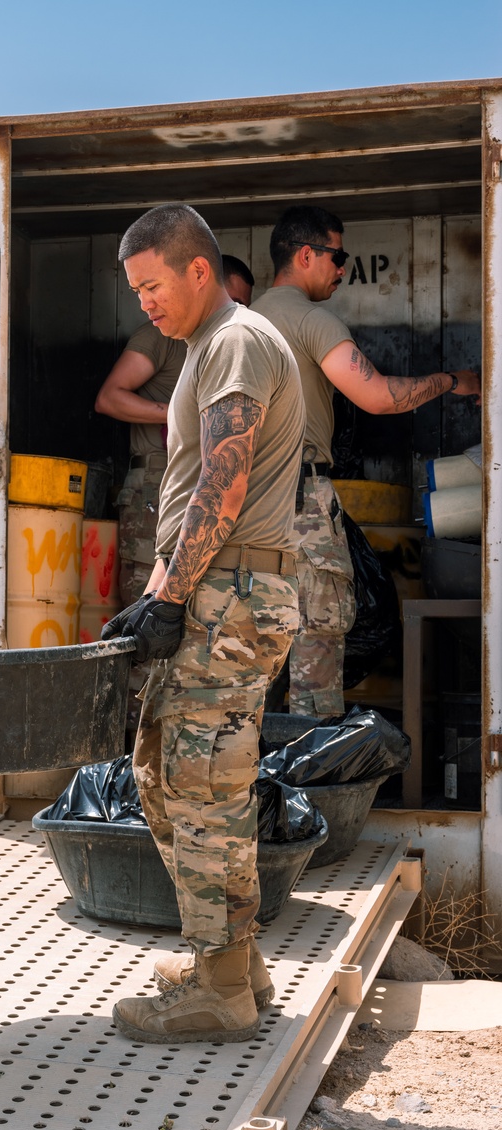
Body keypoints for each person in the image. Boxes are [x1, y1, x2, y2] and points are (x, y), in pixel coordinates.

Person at [102, 205, 304, 1044]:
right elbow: (192, 491)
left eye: (152, 285)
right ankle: (235, 960)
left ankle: (221, 986)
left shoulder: (235, 341)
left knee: (201, 786)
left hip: (232, 594)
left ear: (196, 271)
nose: (144, 303)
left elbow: (223, 486)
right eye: (134, 291)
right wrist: (154, 595)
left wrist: (175, 598)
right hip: (212, 592)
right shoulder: (201, 351)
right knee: (172, 772)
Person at [254, 206, 481, 716]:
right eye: (338, 257)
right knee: (316, 646)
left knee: (254, 648)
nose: (342, 270)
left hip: (241, 505)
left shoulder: (236, 324)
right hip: (298, 501)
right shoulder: (312, 320)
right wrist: (452, 380)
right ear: (306, 254)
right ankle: (311, 786)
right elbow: (377, 397)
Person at [95, 255, 257, 607]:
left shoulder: (230, 342)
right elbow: (110, 398)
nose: (236, 311)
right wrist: (174, 415)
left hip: (200, 483)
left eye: (244, 304)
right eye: (233, 300)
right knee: (145, 598)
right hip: (155, 480)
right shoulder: (163, 336)